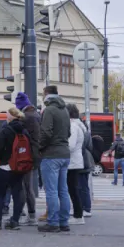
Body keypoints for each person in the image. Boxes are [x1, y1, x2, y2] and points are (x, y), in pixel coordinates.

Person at [0, 107, 34, 230]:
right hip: (19, 167)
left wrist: (3, 159)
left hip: (5, 166)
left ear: (11, 116)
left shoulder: (6, 131)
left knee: (0, 194)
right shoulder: (24, 131)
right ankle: (15, 221)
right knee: (17, 194)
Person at [38, 85, 71, 233]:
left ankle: (53, 222)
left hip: (51, 154)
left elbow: (46, 132)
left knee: (51, 191)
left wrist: (39, 147)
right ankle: (64, 222)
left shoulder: (49, 110)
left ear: (46, 94)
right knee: (63, 190)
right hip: (64, 153)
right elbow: (68, 132)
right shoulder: (65, 110)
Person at [15, 92, 41, 225]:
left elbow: (30, 138)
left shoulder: (28, 117)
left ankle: (29, 215)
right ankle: (28, 214)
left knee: (25, 186)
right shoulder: (35, 115)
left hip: (28, 155)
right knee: (26, 185)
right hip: (34, 154)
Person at [66, 104, 85, 225]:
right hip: (75, 161)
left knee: (72, 189)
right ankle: (77, 213)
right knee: (73, 189)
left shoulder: (73, 126)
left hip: (72, 162)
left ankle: (78, 215)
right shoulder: (77, 125)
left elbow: (70, 146)